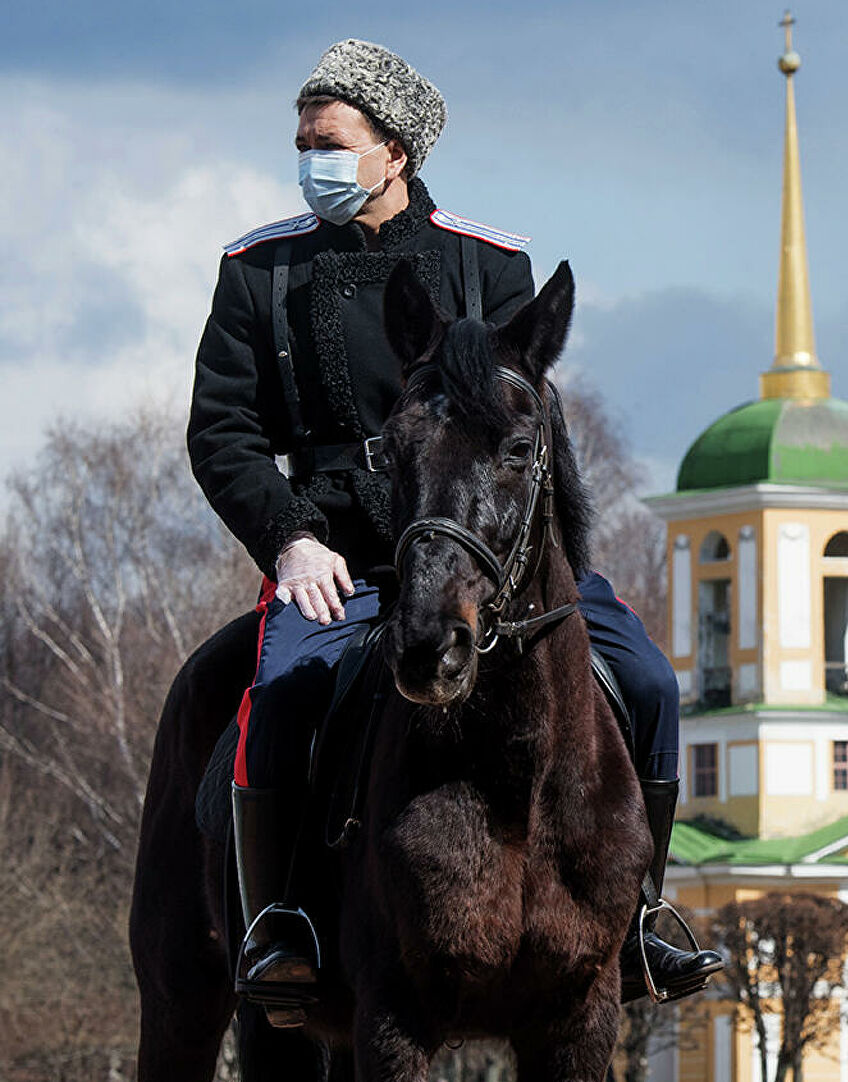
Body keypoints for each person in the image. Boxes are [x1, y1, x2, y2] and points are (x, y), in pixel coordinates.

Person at [188, 38, 720, 1017]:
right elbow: (221, 433)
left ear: (394, 149)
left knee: (646, 677)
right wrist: (293, 539)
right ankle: (284, 922)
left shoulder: (491, 265)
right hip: (337, 562)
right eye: (303, 141)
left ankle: (639, 914)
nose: (311, 158)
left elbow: (537, 440)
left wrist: (553, 566)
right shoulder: (257, 271)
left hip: (496, 557)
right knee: (280, 691)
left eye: (330, 140)